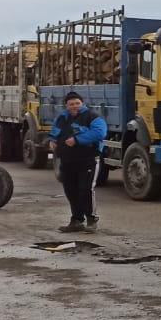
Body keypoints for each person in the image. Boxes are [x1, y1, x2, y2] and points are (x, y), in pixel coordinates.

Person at [48, 91, 107, 233]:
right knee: (70, 190)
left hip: (88, 159)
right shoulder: (62, 117)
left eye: (77, 103)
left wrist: (77, 139)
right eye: (71, 104)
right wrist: (52, 140)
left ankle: (91, 219)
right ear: (66, 106)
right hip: (68, 160)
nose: (75, 106)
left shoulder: (92, 117)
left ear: (82, 104)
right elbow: (55, 130)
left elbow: (100, 133)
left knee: (86, 189)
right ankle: (76, 220)